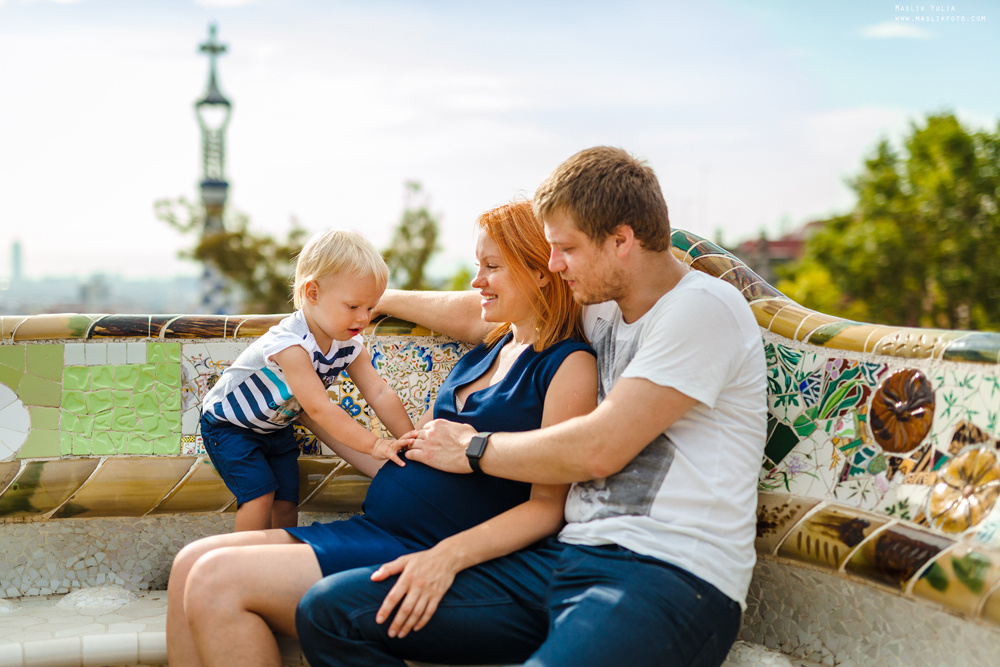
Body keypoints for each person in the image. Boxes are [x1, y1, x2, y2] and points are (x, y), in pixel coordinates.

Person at [295, 146, 768, 667]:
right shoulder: (604, 303)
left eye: (565, 248)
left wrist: (472, 449)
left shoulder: (701, 310)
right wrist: (372, 300)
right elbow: (487, 317)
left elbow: (599, 449)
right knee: (330, 611)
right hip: (563, 560)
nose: (553, 264)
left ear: (621, 241)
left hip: (667, 577)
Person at [165, 201, 598, 667]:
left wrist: (447, 556)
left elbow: (547, 508)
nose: (477, 281)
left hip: (427, 542)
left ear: (541, 271)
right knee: (188, 565)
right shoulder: (490, 348)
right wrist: (366, 304)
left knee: (215, 580)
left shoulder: (568, 365)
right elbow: (412, 448)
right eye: (478, 266)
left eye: (492, 267)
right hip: (382, 524)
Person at [198, 229, 413, 533]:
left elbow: (378, 391)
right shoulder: (290, 345)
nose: (363, 318)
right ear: (313, 294)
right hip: (231, 427)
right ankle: (243, 562)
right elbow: (320, 409)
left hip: (275, 427)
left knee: (287, 501)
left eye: (370, 307)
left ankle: (278, 560)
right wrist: (376, 445)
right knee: (260, 495)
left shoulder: (348, 343)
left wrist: (410, 441)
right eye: (353, 306)